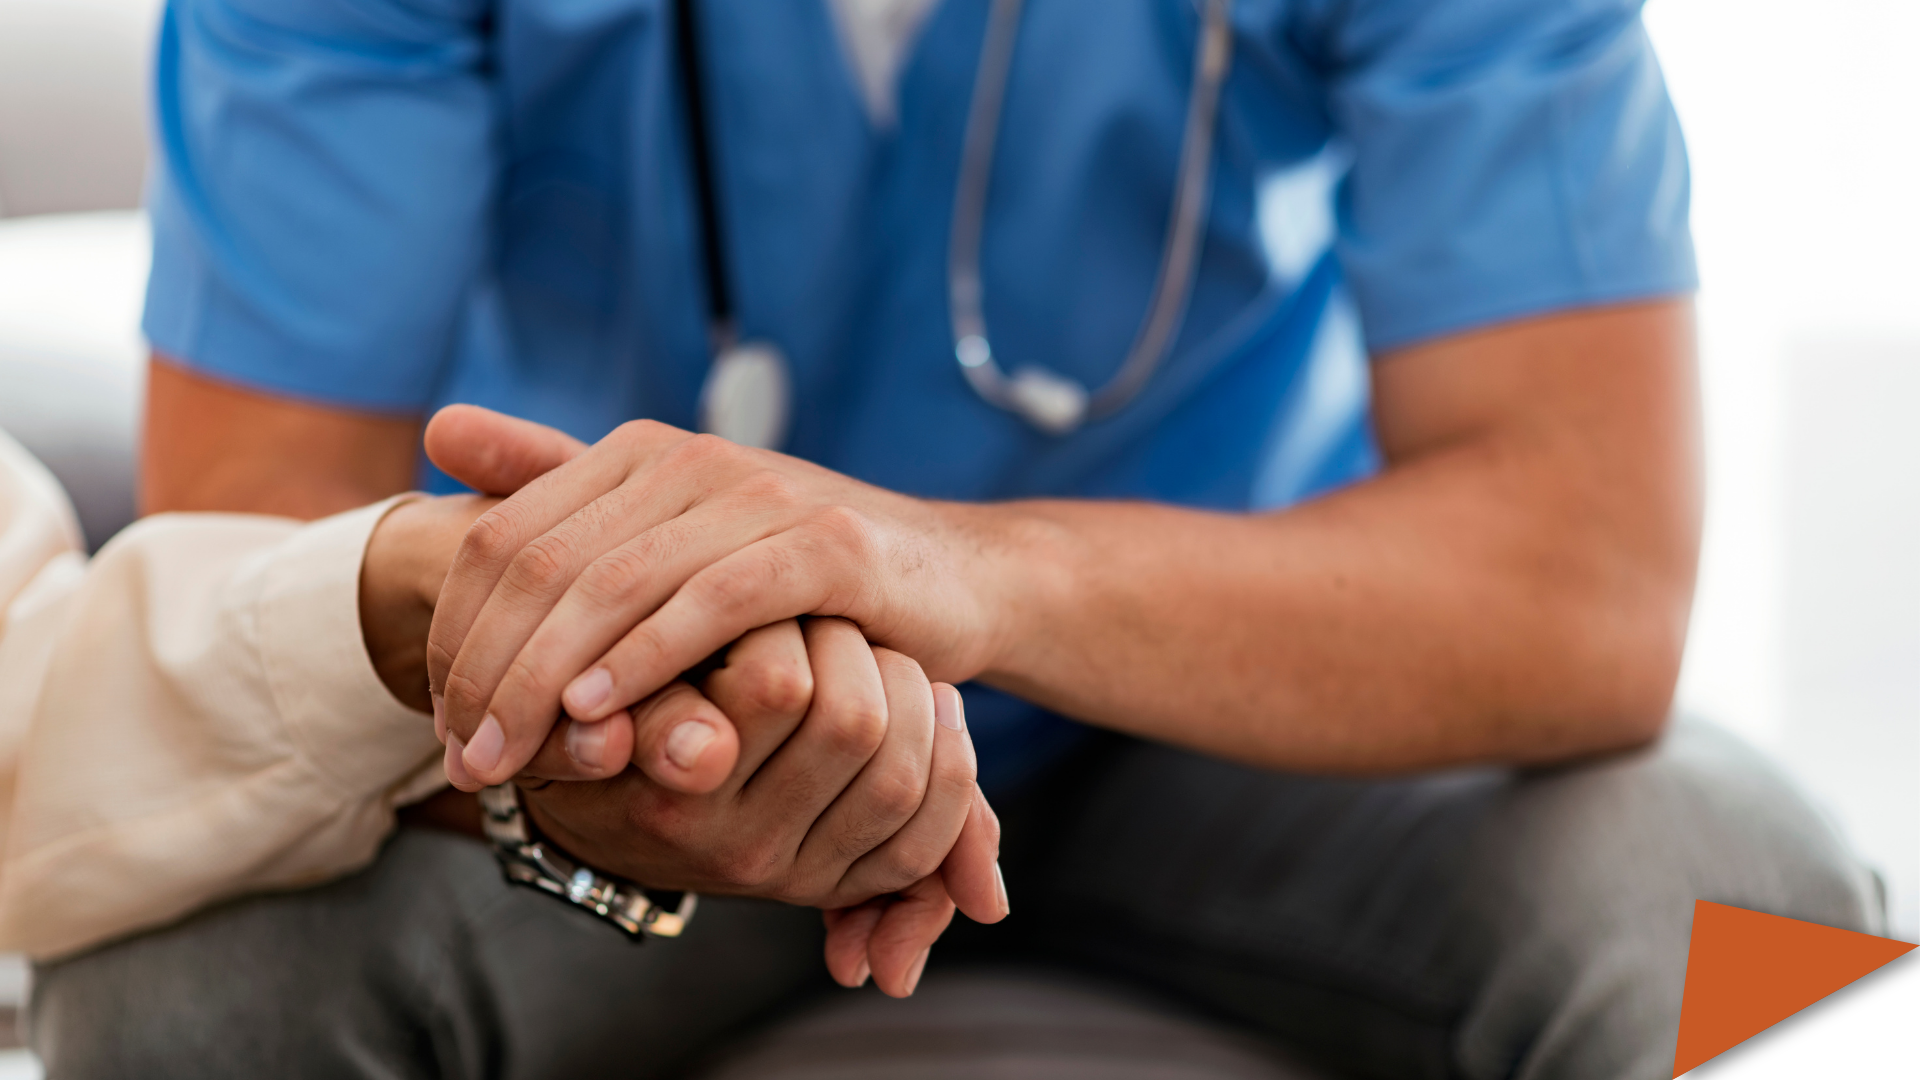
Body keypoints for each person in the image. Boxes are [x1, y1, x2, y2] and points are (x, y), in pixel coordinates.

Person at [37, 0, 1882, 1077]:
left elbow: (1586, 572)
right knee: (190, 987)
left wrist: (952, 575)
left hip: (1235, 693)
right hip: (630, 725)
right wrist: (603, 722)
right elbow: (257, 550)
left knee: (1752, 921)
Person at [0, 412, 1000, 993]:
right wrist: (406, 591)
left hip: (1114, 730)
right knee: (184, 1006)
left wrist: (906, 565)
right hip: (551, 726)